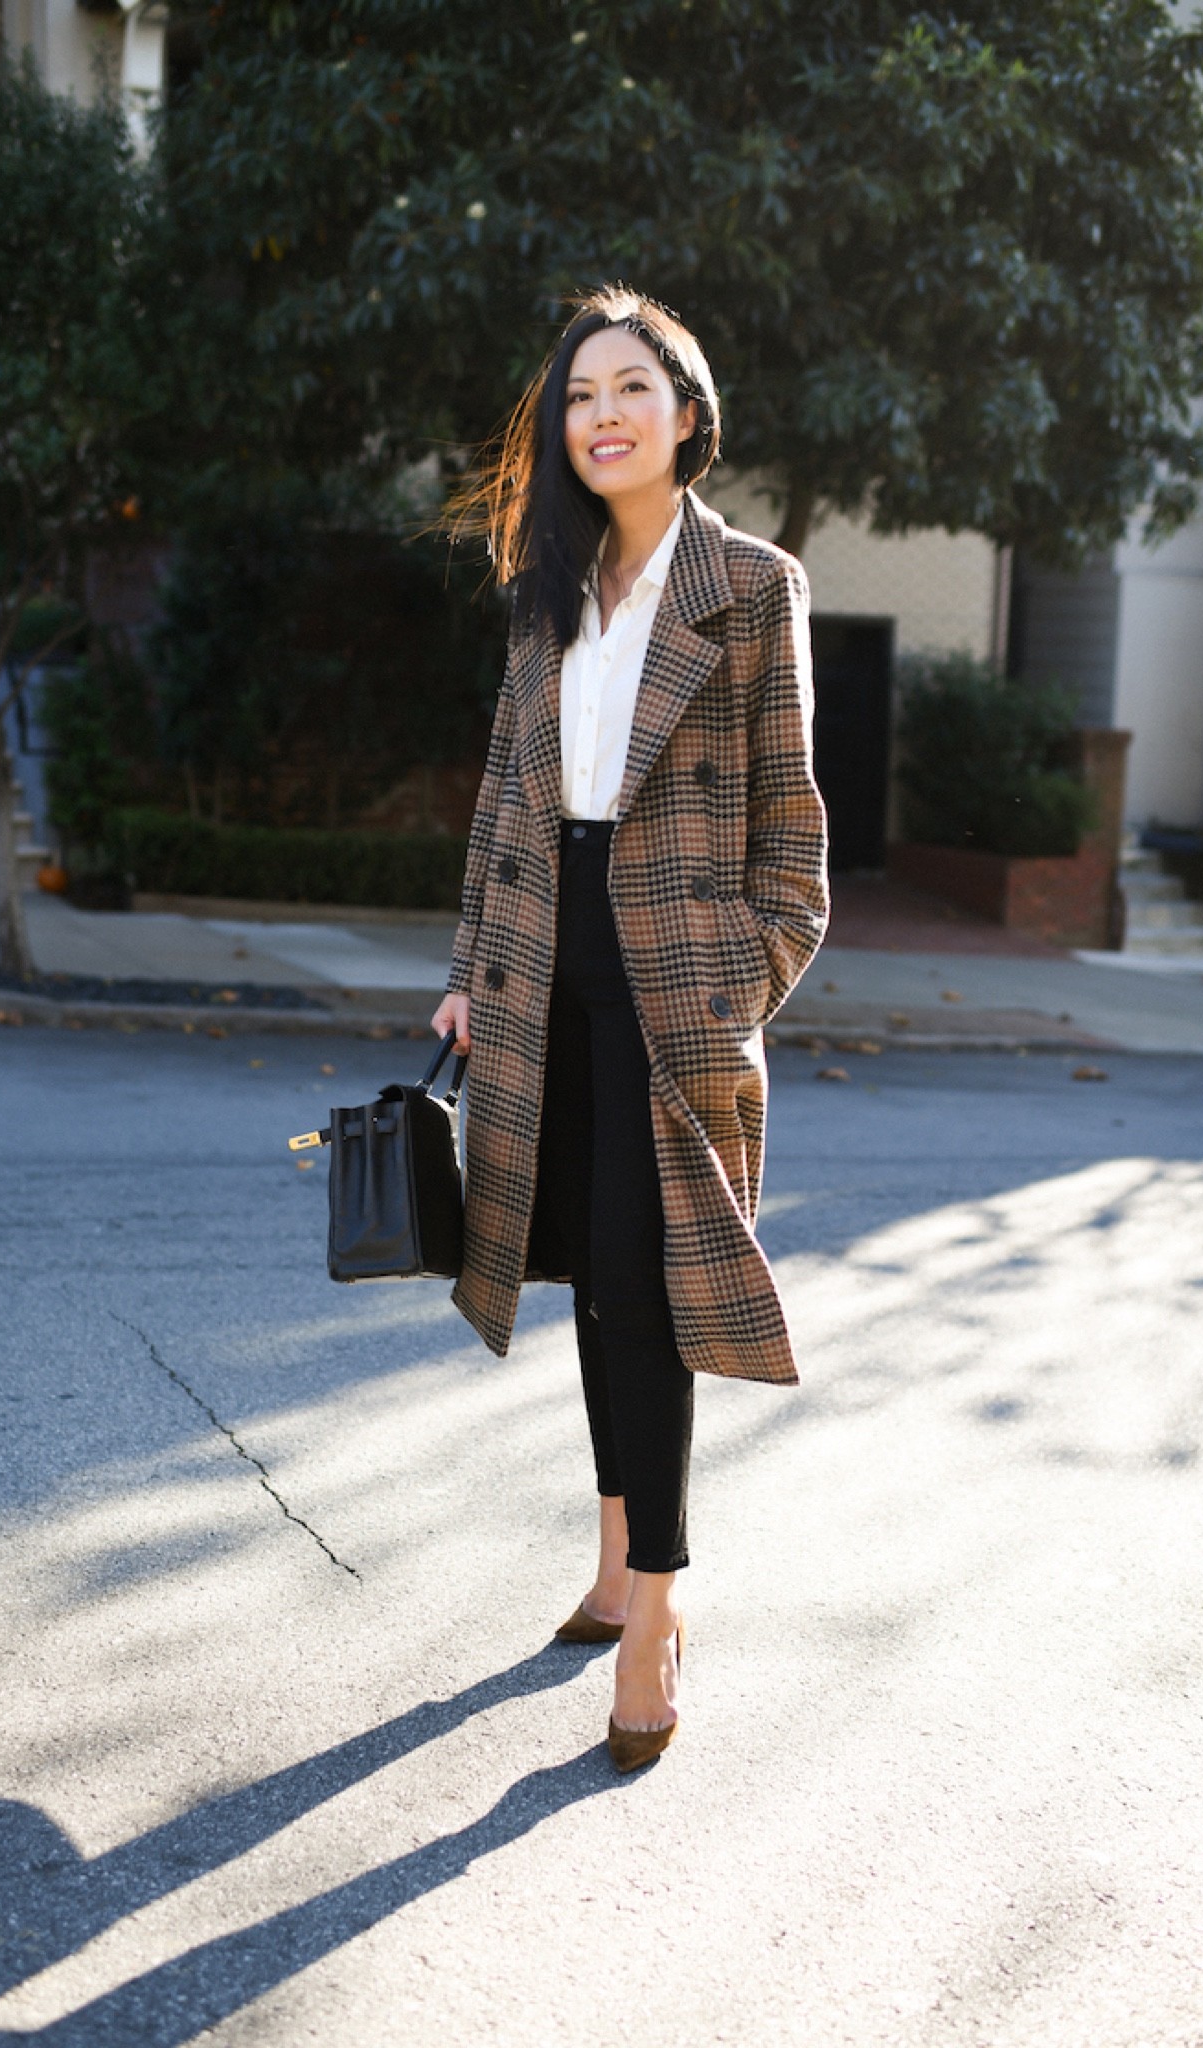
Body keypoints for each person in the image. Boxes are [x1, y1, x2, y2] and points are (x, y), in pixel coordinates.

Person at [431, 284, 829, 1772]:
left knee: (649, 1290)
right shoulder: (547, 593)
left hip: (677, 989)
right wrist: (473, 962)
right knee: (593, 1282)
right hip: (542, 971)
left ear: (684, 412)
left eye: (628, 388)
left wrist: (742, 990)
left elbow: (795, 839)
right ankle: (612, 1558)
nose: (600, 414)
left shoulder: (752, 588)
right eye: (579, 395)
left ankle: (655, 1609)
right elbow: (501, 801)